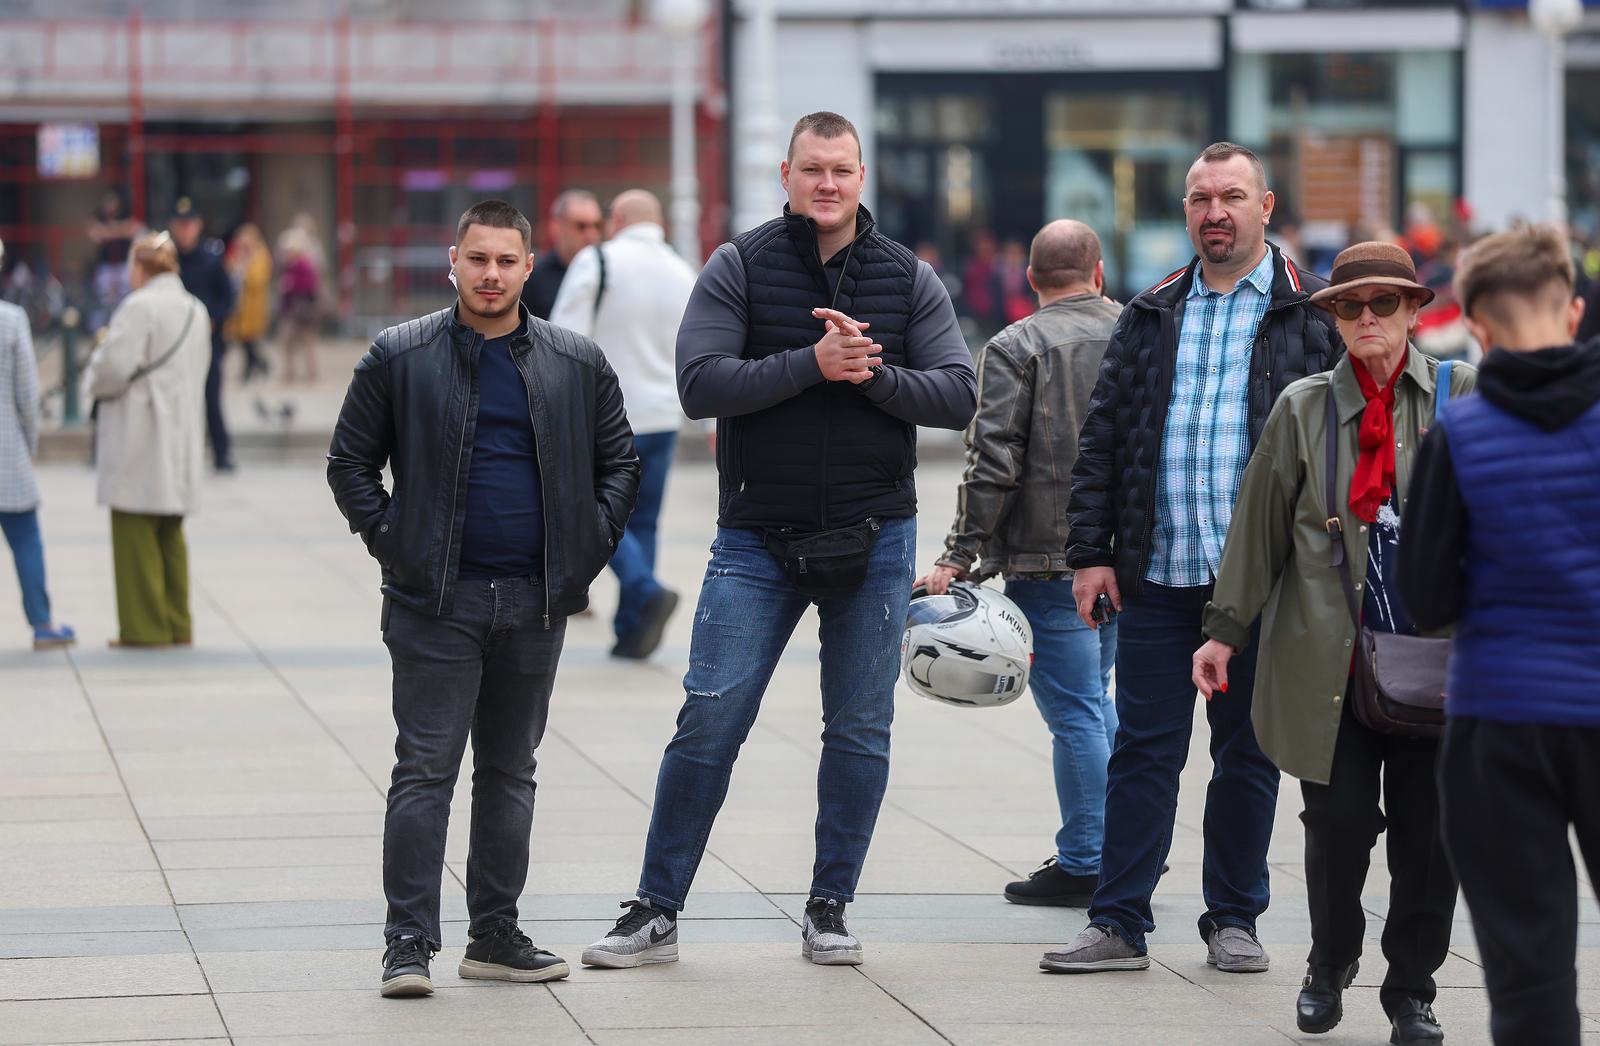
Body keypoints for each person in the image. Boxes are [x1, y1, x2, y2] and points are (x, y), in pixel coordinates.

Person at [582, 111, 975, 970]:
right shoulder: (739, 265)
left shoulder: (909, 277)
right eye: (811, 169)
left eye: (841, 169)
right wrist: (811, 363)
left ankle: (830, 906)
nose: (826, 183)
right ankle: (656, 908)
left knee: (860, 729)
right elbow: (699, 384)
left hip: (875, 535)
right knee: (710, 717)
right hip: (757, 538)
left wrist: (872, 375)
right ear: (786, 177)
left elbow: (957, 394)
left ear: (862, 178)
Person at [327, 200, 639, 999]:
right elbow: (349, 464)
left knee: (509, 771)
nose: (491, 274)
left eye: (506, 261)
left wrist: (585, 550)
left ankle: (494, 935)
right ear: (454, 261)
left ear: (529, 267)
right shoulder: (400, 355)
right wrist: (395, 543)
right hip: (436, 604)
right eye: (478, 259)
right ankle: (407, 945)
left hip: (534, 603)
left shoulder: (576, 361)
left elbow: (620, 464)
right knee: (424, 771)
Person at [1046, 142, 1342, 975]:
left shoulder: (1311, 311)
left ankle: (1234, 919)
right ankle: (1118, 921)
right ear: (1186, 211)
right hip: (1157, 574)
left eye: (1232, 197)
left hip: (1260, 586)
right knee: (1143, 751)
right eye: (1201, 198)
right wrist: (1091, 553)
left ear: (1265, 206)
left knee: (1246, 755)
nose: (1216, 212)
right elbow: (1104, 438)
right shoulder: (1152, 310)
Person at [1192, 241, 1473, 1043]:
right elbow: (1257, 530)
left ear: (1414, 310)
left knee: (1431, 837)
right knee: (1339, 822)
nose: (1367, 317)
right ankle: (1331, 958)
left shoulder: (1461, 397)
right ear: (1335, 318)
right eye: (1351, 305)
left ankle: (1412, 989)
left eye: (1384, 302)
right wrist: (1223, 632)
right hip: (1329, 660)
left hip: (1439, 660)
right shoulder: (1303, 407)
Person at [1398, 225, 1600, 1046]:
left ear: (1477, 326)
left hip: (1501, 723)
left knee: (1528, 975)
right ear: (1574, 311)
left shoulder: (1461, 435)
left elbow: (1425, 598)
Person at [918, 219, 1121, 907]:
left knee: (1076, 713)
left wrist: (960, 553)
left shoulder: (1015, 345)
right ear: (1098, 273)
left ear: (1032, 279)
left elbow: (994, 460)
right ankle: (1127, 849)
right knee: (1097, 701)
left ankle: (1089, 861)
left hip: (1051, 560)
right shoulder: (1140, 332)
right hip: (1130, 559)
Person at [550, 189, 696, 658]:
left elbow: (562, 339)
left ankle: (644, 588)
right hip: (664, 415)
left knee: (593, 512)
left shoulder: (598, 261)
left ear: (617, 219)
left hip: (608, 417)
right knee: (644, 519)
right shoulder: (683, 272)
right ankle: (632, 629)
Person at [84, 232, 211, 648]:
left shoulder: (139, 306)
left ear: (140, 267)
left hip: (140, 429)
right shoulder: (195, 309)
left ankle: (144, 629)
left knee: (134, 529)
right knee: (170, 531)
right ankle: (177, 624)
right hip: (181, 429)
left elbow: (113, 367)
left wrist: (93, 376)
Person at [0, 238, 75, 650]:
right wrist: (29, 444)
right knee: (26, 538)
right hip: (6, 449)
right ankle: (42, 623)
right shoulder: (11, 321)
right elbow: (28, 396)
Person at [169, 198, 237, 473]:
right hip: (174, 343)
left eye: (189, 224)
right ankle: (178, 456)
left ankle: (221, 453)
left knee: (211, 397)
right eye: (180, 225)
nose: (185, 230)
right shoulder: (168, 261)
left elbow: (228, 296)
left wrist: (215, 320)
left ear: (197, 226)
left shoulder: (211, 259)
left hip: (208, 342)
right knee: (176, 401)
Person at [521, 189, 603, 321]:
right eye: (581, 226)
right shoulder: (534, 279)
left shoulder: (609, 273)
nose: (591, 234)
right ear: (556, 227)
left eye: (597, 225)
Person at [224, 223, 271, 383]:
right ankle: (258, 365)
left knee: (249, 339)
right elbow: (228, 271)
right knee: (243, 339)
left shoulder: (260, 255)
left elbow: (258, 278)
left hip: (253, 305)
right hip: (240, 304)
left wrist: (245, 271)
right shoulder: (238, 255)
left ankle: (255, 366)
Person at [276, 229, 320, 384]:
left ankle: (309, 373)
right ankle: (291, 372)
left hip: (302, 310)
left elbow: (311, 287)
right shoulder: (288, 266)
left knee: (305, 341)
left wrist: (292, 285)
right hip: (291, 310)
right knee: (289, 342)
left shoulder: (303, 266)